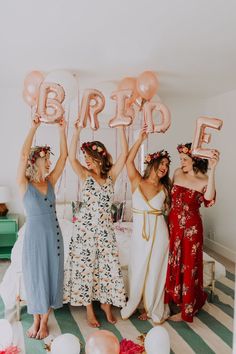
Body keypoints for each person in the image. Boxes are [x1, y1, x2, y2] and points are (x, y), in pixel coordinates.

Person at [63, 123, 128, 327]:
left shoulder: (111, 177)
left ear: (100, 157)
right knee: (86, 268)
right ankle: (89, 308)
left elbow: (125, 154)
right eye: (86, 159)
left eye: (90, 158)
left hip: (105, 231)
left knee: (108, 267)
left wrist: (121, 128)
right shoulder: (85, 175)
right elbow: (71, 158)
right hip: (84, 230)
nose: (87, 162)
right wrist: (75, 132)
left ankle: (106, 304)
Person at [17, 115, 68, 339]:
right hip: (34, 238)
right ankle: (35, 318)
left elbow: (64, 157)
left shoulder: (50, 182)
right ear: (36, 160)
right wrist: (33, 126)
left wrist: (61, 129)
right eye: (46, 159)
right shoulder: (23, 185)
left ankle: (44, 320)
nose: (49, 163)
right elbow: (21, 156)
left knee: (50, 275)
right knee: (35, 276)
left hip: (54, 236)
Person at [121, 127, 171, 323]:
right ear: (153, 163)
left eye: (167, 165)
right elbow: (128, 161)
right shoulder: (137, 181)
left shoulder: (166, 187)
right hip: (140, 234)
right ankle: (134, 303)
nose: (165, 167)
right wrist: (140, 140)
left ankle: (152, 309)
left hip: (160, 232)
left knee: (156, 269)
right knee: (138, 266)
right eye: (163, 163)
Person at [164, 143, 219, 322]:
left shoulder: (204, 180)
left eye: (185, 159)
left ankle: (187, 308)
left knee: (189, 265)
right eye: (180, 159)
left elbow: (209, 198)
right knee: (175, 262)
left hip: (191, 229)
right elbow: (170, 197)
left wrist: (213, 170)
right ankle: (175, 299)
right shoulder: (178, 173)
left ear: (195, 160)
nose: (181, 163)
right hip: (174, 228)